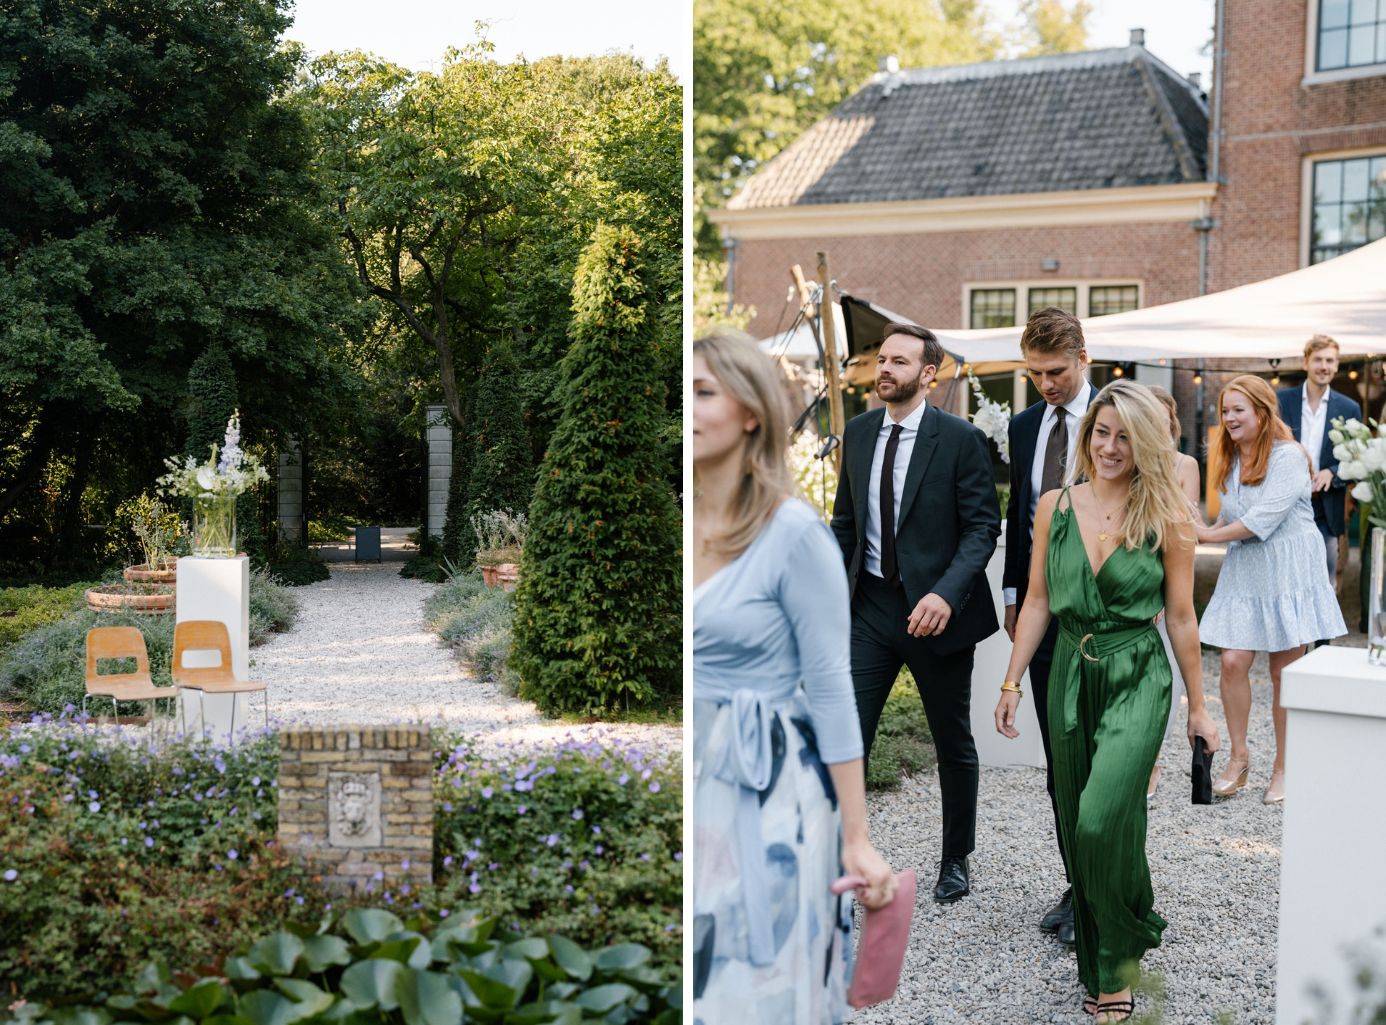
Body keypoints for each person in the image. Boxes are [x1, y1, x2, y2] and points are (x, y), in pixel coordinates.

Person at [994, 380, 1221, 1024]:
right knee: (1077, 825)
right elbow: (1038, 599)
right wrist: (1011, 682)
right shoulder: (1054, 506)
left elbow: (1182, 618)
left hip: (1137, 673)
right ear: (1087, 435)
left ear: (1146, 443)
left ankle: (1120, 961)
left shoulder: (1168, 516)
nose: (1110, 447)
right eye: (1101, 432)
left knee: (1101, 818)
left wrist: (1197, 706)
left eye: (1125, 436)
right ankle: (1102, 964)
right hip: (1069, 669)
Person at [692, 333, 896, 1023]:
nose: (686, 407)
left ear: (752, 413)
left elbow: (832, 685)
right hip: (691, 775)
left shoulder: (794, 534)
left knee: (757, 988)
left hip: (769, 788)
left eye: (703, 391)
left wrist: (857, 837)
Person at [830, 322, 1000, 905]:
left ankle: (956, 858)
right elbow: (846, 524)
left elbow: (982, 529)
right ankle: (842, 856)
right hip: (870, 609)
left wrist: (946, 594)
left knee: (953, 741)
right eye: (882, 359)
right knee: (848, 736)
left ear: (929, 374)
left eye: (899, 362)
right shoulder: (857, 433)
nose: (885, 369)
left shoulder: (960, 439)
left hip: (937, 616)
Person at [1196, 374, 1346, 805]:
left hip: (1288, 568)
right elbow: (1230, 514)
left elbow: (1261, 520)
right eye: (1225, 411)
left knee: (1283, 671)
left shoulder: (1288, 456)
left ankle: (1284, 766)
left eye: (1238, 410)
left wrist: (1206, 536)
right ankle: (1239, 758)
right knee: (1232, 662)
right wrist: (1200, 524)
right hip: (1246, 568)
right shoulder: (1229, 457)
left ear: (1261, 413)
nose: (1229, 418)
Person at [1001, 306, 1098, 945]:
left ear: (1083, 359)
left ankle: (1104, 889)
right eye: (1035, 373)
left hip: (1104, 617)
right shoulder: (1023, 425)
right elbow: (1020, 515)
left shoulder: (1119, 417)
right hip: (1040, 612)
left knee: (1103, 762)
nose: (1046, 384)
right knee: (1062, 762)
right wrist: (1014, 594)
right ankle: (1078, 884)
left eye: (1057, 371)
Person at [1276, 335, 1361, 628]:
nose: (1324, 366)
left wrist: (1333, 472)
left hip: (1326, 507)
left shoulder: (1349, 408)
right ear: (1305, 362)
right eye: (1318, 360)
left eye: (1330, 361)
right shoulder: (1282, 401)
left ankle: (1322, 642)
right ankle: (1292, 639)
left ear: (1336, 366)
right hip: (1287, 506)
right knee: (1288, 577)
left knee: (1325, 581)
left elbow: (1357, 460)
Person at [1144, 384, 1202, 801]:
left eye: (1161, 417)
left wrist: (1164, 593)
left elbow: (1185, 532)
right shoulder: (1128, 462)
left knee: (1166, 675)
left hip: (1169, 580)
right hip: (1132, 583)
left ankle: (1153, 758)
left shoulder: (1185, 465)